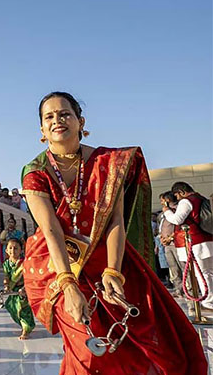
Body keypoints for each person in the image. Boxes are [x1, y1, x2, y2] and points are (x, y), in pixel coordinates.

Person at [21, 91, 206, 374]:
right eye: (49, 117)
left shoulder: (109, 163)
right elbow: (50, 229)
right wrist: (69, 285)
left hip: (109, 258)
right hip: (56, 266)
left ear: (81, 121)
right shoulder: (35, 171)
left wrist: (112, 272)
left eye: (65, 114)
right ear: (42, 132)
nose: (57, 120)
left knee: (152, 341)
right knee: (88, 349)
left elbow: (115, 220)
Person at [162, 181, 213, 311]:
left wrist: (167, 211)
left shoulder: (186, 201)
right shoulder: (201, 198)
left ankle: (208, 303)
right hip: (205, 239)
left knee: (202, 273)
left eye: (177, 196)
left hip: (194, 242)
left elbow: (177, 219)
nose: (177, 199)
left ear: (181, 192)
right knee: (208, 272)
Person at [1, 238, 35, 340]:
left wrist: (24, 288)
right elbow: (6, 276)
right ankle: (23, 325)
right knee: (11, 306)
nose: (13, 251)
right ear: (6, 250)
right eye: (10, 248)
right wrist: (7, 286)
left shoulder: (24, 264)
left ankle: (26, 329)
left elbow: (29, 278)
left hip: (24, 290)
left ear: (21, 250)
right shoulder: (6, 264)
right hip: (13, 290)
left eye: (16, 248)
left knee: (23, 309)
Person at [158, 191, 184, 298]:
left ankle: (189, 290)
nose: (161, 203)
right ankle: (179, 289)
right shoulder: (163, 213)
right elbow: (162, 227)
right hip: (167, 245)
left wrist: (170, 238)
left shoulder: (177, 210)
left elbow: (179, 226)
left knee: (183, 267)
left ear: (168, 200)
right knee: (173, 268)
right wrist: (162, 238)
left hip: (176, 243)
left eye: (162, 201)